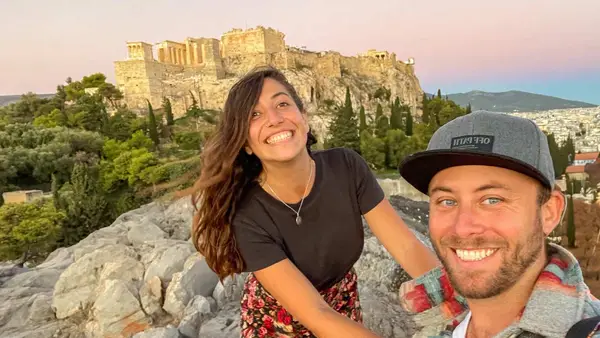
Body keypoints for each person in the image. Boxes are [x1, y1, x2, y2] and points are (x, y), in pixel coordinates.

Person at [188, 66, 440, 337]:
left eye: (282, 104)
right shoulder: (247, 214)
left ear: (304, 119)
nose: (274, 119)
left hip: (341, 304)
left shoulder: (346, 166)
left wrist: (455, 296)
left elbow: (405, 246)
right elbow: (315, 313)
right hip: (276, 323)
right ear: (246, 144)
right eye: (255, 115)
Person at [397, 111, 600, 338]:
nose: (463, 227)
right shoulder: (437, 319)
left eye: (492, 200)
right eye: (447, 201)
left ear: (549, 212)